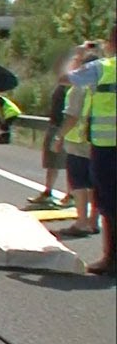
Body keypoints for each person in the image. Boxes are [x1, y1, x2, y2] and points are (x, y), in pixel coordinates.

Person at [66, 25, 117, 276]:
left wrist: (76, 55)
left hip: (108, 147)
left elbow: (65, 77)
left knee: (109, 203)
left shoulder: (103, 67)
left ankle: (111, 259)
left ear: (111, 42)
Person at [53, 44, 103, 237]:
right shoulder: (101, 86)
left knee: (79, 183)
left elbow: (72, 117)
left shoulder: (78, 88)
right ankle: (93, 221)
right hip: (98, 139)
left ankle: (82, 222)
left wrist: (59, 136)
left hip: (78, 142)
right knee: (95, 183)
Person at [27, 59, 72, 208]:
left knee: (69, 162)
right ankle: (48, 192)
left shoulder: (74, 85)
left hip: (62, 127)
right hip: (55, 125)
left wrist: (62, 132)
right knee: (52, 162)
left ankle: (71, 195)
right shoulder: (62, 85)